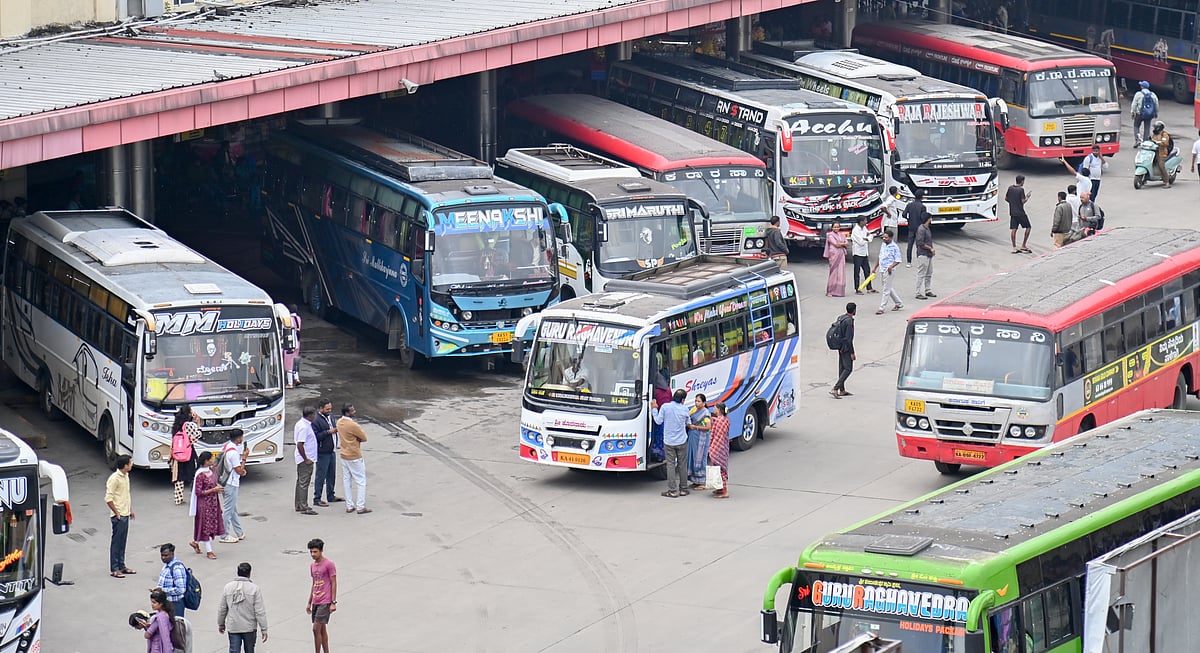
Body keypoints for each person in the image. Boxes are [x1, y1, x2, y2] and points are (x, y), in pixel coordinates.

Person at [218, 562, 269, 652]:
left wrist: (221, 623)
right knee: (249, 650)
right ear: (249, 573)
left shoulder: (228, 587)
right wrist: (264, 629)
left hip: (234, 626)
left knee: (234, 650)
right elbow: (259, 611)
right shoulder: (254, 589)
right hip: (249, 627)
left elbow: (222, 608)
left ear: (238, 572)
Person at [652, 389, 691, 498]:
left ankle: (672, 490)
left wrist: (654, 409)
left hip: (669, 441)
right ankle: (683, 489)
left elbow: (658, 421)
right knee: (682, 465)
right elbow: (688, 423)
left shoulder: (665, 407)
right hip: (682, 441)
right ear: (683, 400)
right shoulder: (685, 409)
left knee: (670, 465)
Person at [189, 452, 225, 559]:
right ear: (206, 461)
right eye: (211, 459)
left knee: (208, 525)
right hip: (204, 505)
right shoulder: (200, 475)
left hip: (213, 503)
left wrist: (216, 487)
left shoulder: (210, 471)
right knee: (206, 527)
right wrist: (213, 490)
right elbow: (198, 492)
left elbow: (213, 484)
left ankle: (195, 542)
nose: (213, 460)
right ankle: (209, 551)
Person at [337, 403, 371, 514]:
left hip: (343, 454)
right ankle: (360, 506)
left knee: (347, 481)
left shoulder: (339, 422)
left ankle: (349, 505)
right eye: (352, 410)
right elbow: (364, 438)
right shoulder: (353, 425)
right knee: (361, 481)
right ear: (347, 412)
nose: (354, 412)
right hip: (354, 455)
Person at [106, 454, 136, 578]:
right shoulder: (114, 479)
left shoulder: (126, 476)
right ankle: (114, 568)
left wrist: (130, 510)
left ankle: (121, 566)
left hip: (125, 513)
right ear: (125, 465)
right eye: (130, 463)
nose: (131, 464)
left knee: (122, 541)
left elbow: (125, 495)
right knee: (116, 542)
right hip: (118, 515)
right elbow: (108, 498)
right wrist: (117, 513)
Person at [307, 538, 337, 653]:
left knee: (315, 629)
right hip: (316, 600)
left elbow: (333, 582)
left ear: (321, 551)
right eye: (311, 552)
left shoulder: (329, 564)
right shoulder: (312, 566)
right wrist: (309, 601)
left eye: (315, 552)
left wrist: (333, 602)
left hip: (325, 601)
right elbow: (314, 583)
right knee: (322, 629)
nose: (313, 554)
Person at [312, 399, 342, 507]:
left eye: (330, 408)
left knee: (331, 475)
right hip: (322, 452)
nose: (329, 410)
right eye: (327, 409)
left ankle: (331, 495)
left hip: (332, 450)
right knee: (321, 476)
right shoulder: (316, 420)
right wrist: (328, 432)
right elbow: (316, 437)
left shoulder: (331, 416)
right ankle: (317, 498)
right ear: (321, 408)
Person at [219, 433, 246, 543]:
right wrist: (244, 459)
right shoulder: (233, 453)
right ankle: (224, 535)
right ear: (238, 438)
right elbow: (239, 470)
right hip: (231, 483)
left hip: (224, 481)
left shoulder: (225, 447)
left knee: (232, 508)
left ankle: (239, 532)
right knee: (228, 510)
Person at [170, 406, 200, 506]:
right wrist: (198, 423)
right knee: (193, 474)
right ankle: (195, 496)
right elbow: (198, 435)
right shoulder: (189, 425)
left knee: (179, 476)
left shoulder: (176, 426)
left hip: (178, 453)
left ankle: (178, 498)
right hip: (188, 452)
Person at [294, 407, 319, 515]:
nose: (315, 417)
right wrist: (306, 459)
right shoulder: (304, 427)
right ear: (310, 415)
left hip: (304, 458)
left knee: (300, 482)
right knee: (304, 482)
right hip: (305, 459)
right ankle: (304, 506)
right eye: (314, 415)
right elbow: (300, 444)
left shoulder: (302, 423)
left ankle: (299, 504)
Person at [873, 230, 904, 314]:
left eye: (886, 237)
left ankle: (881, 308)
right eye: (883, 237)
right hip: (882, 269)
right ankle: (898, 303)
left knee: (886, 290)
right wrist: (875, 267)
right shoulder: (883, 245)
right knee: (888, 287)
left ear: (890, 238)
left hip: (889, 270)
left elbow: (898, 260)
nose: (884, 238)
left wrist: (891, 266)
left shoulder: (894, 247)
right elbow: (880, 256)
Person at [155, 544, 189, 617]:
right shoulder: (167, 565)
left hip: (175, 604)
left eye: (166, 555)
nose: (163, 558)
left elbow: (181, 589)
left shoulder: (177, 568)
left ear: (172, 554)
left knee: (175, 626)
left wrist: (163, 590)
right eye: (162, 555)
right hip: (166, 603)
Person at [686, 394, 712, 491]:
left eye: (699, 401)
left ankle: (702, 481)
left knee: (700, 458)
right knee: (692, 456)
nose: (697, 403)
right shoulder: (693, 410)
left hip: (701, 438)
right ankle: (695, 480)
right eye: (696, 401)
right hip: (693, 436)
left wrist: (695, 427)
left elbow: (708, 427)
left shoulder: (706, 413)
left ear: (704, 403)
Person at [831, 303, 856, 399]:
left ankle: (842, 390)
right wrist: (852, 352)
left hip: (839, 345)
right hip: (846, 348)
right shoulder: (849, 321)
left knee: (842, 368)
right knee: (848, 368)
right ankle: (835, 388)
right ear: (854, 310)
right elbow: (849, 339)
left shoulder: (841, 318)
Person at [707, 402, 731, 498]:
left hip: (718, 448)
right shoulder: (725, 420)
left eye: (715, 408)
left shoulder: (719, 421)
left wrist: (712, 448)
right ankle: (719, 488)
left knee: (720, 469)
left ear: (719, 410)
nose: (713, 409)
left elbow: (718, 437)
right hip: (723, 447)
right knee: (718, 468)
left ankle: (724, 491)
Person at [1006, 175, 1032, 254]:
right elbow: (1022, 201)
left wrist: (1013, 203)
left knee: (1014, 229)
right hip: (1020, 212)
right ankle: (1023, 245)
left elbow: (1006, 198)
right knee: (1028, 227)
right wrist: (1027, 197)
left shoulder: (1010, 188)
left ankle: (1014, 247)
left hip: (1012, 212)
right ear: (1021, 181)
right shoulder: (1021, 190)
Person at [902, 189, 927, 267]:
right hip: (919, 228)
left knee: (909, 245)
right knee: (919, 245)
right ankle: (919, 261)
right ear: (922, 197)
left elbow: (904, 214)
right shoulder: (923, 207)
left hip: (911, 227)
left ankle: (909, 262)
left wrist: (909, 219)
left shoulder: (909, 205)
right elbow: (923, 218)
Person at [850, 216, 875, 294]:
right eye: (864, 221)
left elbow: (870, 235)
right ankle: (857, 288)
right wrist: (867, 239)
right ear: (860, 222)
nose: (866, 222)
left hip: (864, 252)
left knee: (867, 270)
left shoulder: (864, 228)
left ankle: (869, 287)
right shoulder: (855, 230)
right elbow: (861, 242)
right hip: (858, 253)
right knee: (857, 271)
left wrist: (866, 238)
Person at [823, 222, 848, 297]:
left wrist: (841, 244)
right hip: (834, 255)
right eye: (835, 227)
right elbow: (836, 244)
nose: (836, 228)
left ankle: (839, 292)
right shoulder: (830, 235)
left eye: (837, 227)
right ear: (832, 228)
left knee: (841, 272)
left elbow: (846, 242)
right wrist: (842, 244)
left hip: (841, 254)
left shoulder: (842, 235)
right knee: (833, 272)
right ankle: (830, 291)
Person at [914, 213, 936, 300]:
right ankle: (918, 292)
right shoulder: (921, 229)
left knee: (929, 273)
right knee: (921, 273)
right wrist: (930, 248)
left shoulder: (926, 228)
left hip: (928, 254)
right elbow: (920, 243)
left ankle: (927, 290)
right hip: (923, 254)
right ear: (928, 219)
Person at [1151, 120, 1173, 188]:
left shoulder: (1164, 135)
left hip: (1162, 153)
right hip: (1153, 151)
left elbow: (1165, 143)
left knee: (1161, 166)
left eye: (1155, 127)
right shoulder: (1155, 134)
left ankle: (1166, 182)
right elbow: (1151, 140)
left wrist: (1157, 142)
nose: (1154, 129)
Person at [284, 307, 302, 388]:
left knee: (288, 363)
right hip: (297, 342)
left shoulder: (288, 319)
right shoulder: (298, 318)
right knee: (295, 362)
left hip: (290, 343)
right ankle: (297, 378)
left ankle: (290, 383)